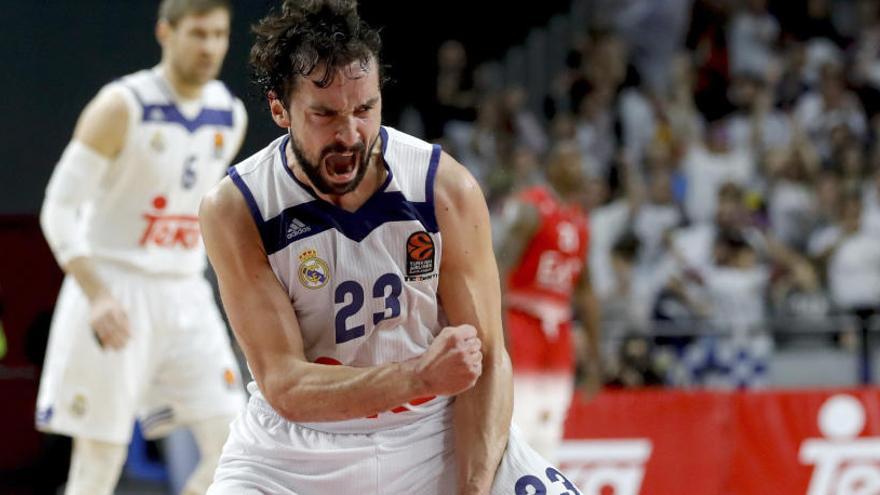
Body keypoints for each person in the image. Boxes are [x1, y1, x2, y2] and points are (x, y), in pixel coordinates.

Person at [199, 1, 582, 493]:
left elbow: (486, 357)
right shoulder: (237, 207)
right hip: (296, 453)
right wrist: (419, 377)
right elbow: (286, 386)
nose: (350, 134)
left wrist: (472, 488)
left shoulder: (443, 188)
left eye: (365, 109)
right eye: (324, 114)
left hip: (431, 431)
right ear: (279, 109)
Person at [35, 1, 247, 494]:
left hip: (184, 290)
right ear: (165, 33)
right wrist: (98, 294)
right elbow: (58, 208)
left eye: (219, 35)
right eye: (198, 33)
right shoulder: (121, 106)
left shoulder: (227, 114)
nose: (210, 47)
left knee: (235, 443)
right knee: (98, 464)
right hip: (114, 287)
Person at [495, 143, 601, 462]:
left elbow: (585, 290)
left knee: (553, 424)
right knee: (519, 421)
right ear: (552, 167)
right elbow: (499, 271)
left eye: (580, 161)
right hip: (522, 317)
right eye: (570, 160)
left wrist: (595, 355)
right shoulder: (531, 208)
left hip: (559, 329)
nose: (578, 168)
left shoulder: (580, 221)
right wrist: (500, 337)